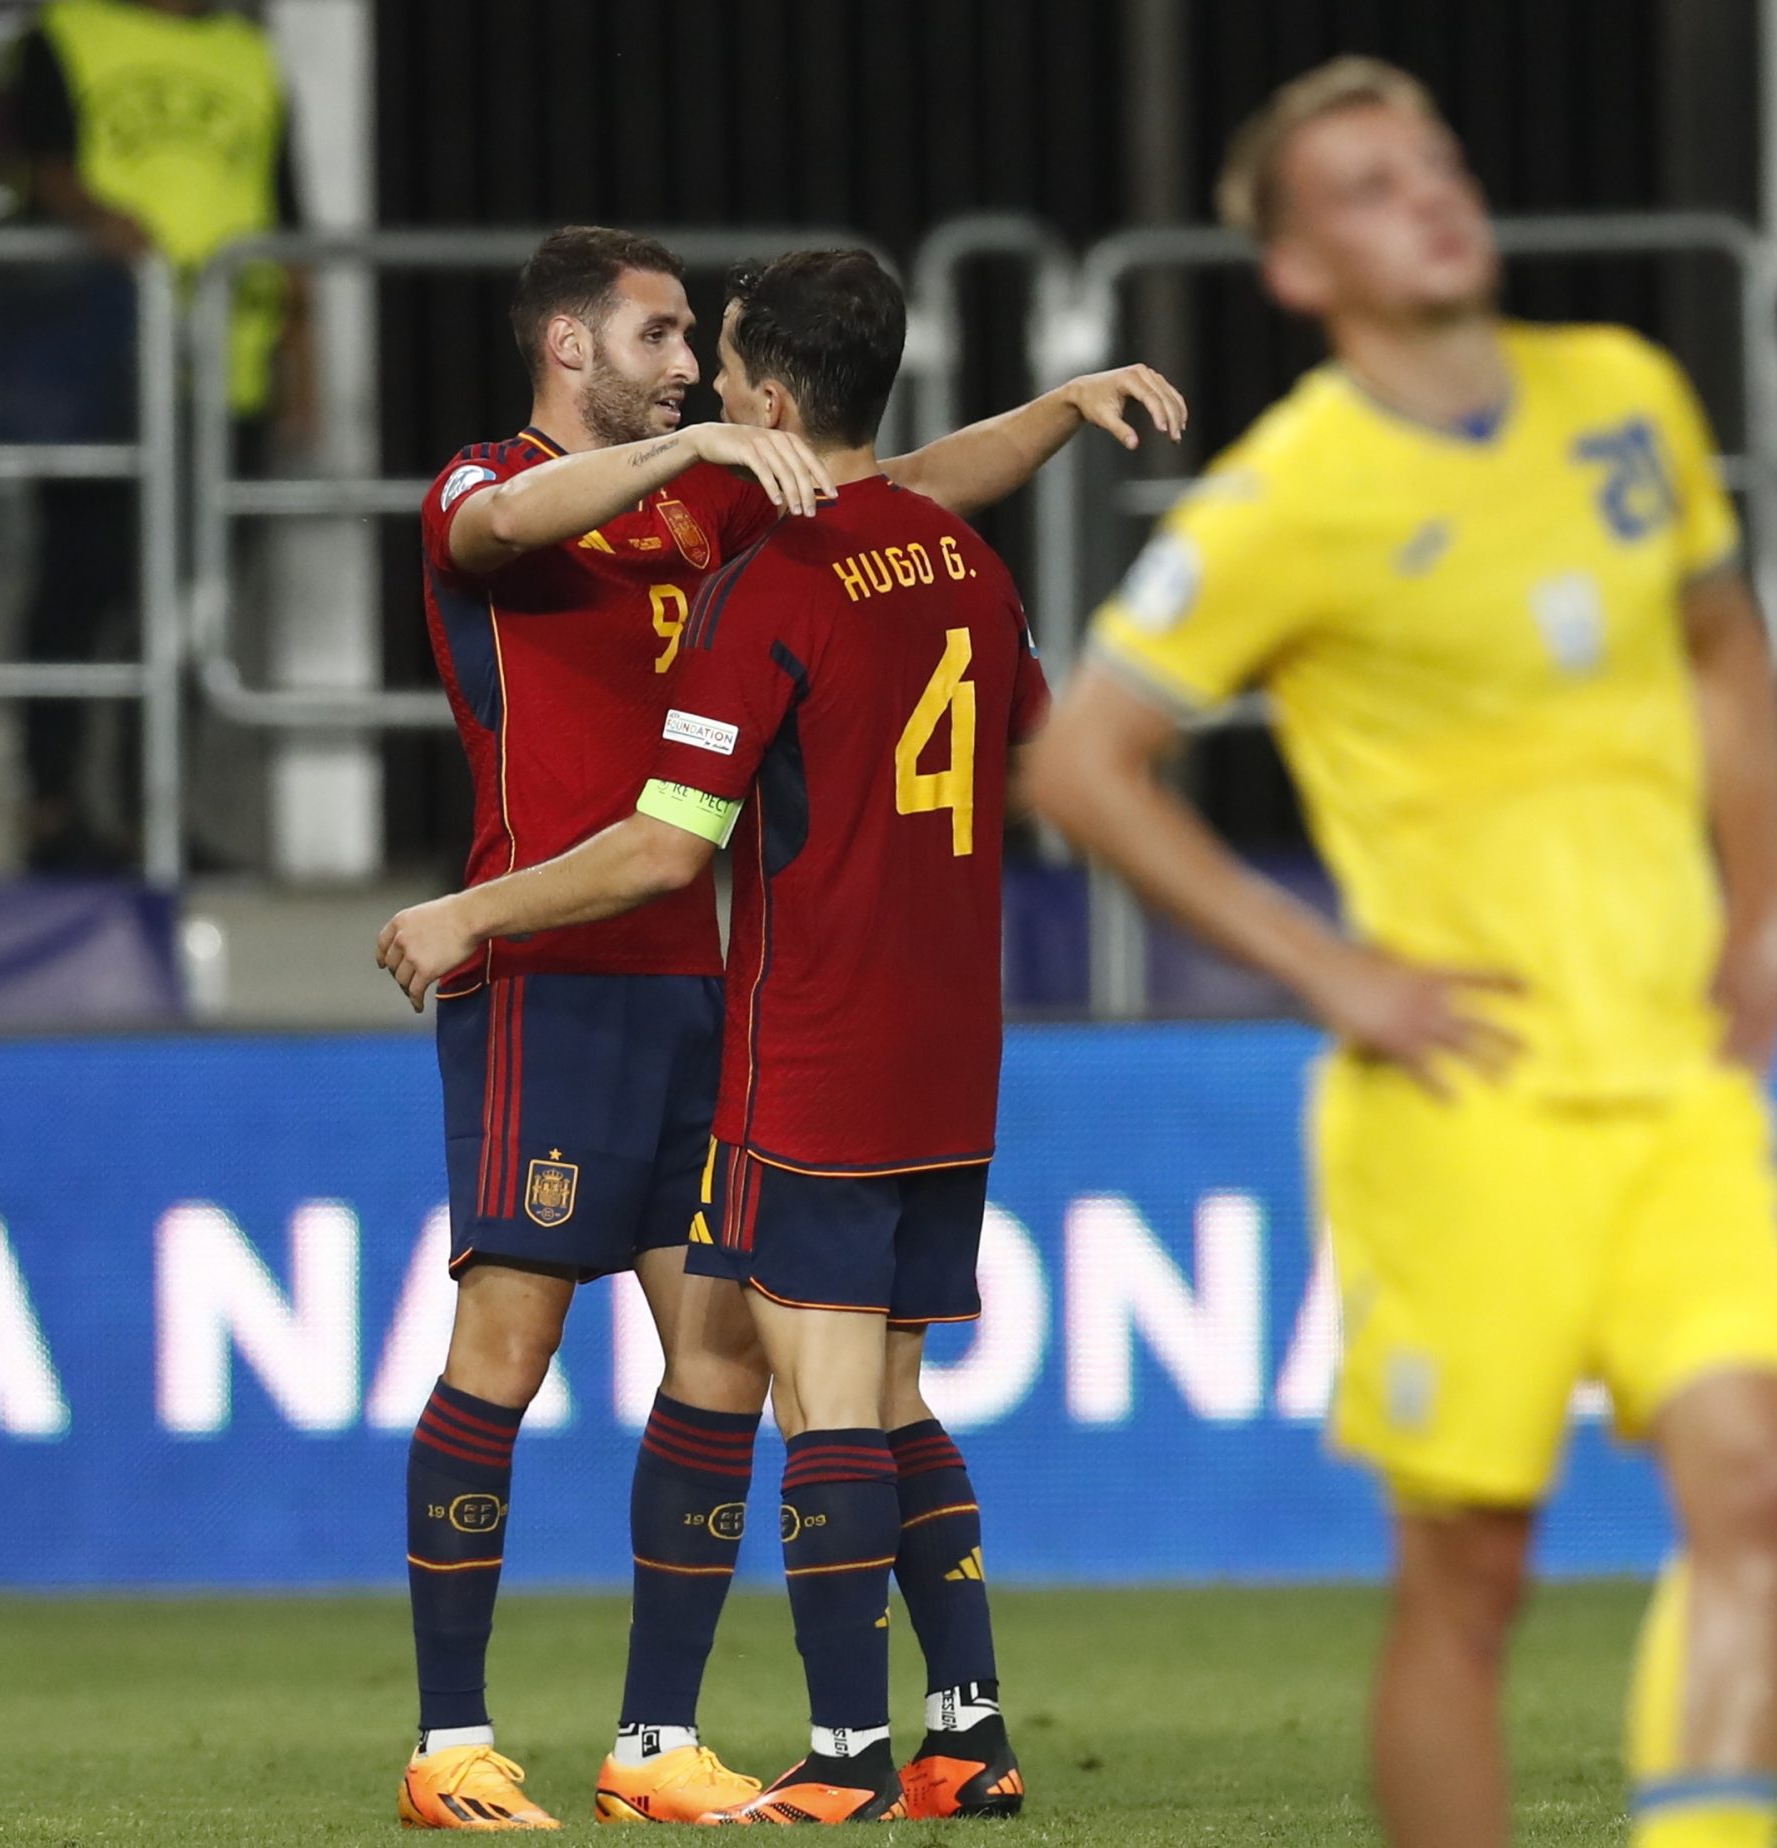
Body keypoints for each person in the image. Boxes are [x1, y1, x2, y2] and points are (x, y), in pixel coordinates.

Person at [1024, 58, 1777, 1848]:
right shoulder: (1293, 492)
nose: (1432, 196)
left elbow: (1721, 639)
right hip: (1464, 1101)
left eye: (1438, 161)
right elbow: (1080, 759)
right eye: (1372, 186)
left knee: (1759, 1478)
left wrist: (1763, 909)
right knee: (1471, 1577)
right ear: (1300, 271)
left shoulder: (1625, 394)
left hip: (1677, 1079)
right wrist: (1334, 975)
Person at [385, 227, 1181, 1830]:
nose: (685, 363)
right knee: (510, 1346)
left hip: (711, 984)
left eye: (700, 342)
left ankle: (654, 1741)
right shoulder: (490, 485)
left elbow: (900, 491)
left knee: (729, 1363)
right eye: (657, 334)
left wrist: (1056, 406)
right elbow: (500, 531)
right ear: (567, 348)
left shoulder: (725, 504)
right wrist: (699, 440)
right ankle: (450, 1741)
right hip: (555, 978)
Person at [4, 0, 312, 870]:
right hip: (95, 367)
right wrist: (107, 231)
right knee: (82, 582)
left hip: (229, 370)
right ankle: (52, 810)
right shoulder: (61, 33)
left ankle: (155, 819)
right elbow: (42, 168)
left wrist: (304, 363)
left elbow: (287, 216)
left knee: (191, 606)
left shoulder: (247, 54)